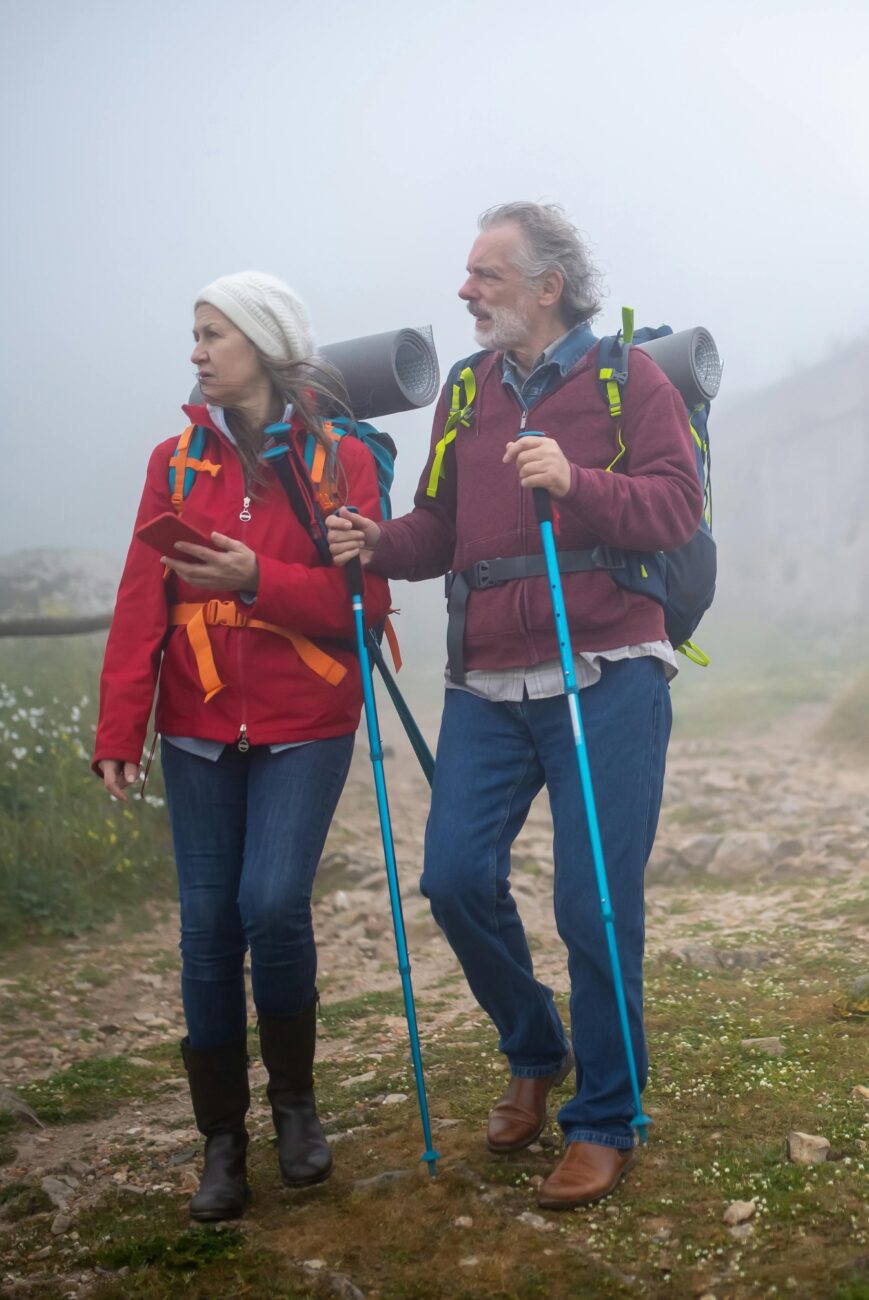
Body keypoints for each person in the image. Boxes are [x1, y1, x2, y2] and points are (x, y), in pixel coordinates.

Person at [327, 202, 703, 1210]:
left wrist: (575, 481)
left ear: (547, 285)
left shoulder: (630, 379)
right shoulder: (466, 390)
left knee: (592, 904)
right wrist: (376, 541)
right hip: (488, 682)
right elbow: (443, 526)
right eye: (466, 275)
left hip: (609, 671)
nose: (465, 292)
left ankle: (606, 1117)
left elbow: (675, 506)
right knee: (452, 879)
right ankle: (535, 1047)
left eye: (486, 275)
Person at [93, 271, 390, 1220]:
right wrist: (119, 727)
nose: (197, 351)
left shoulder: (341, 461)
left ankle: (295, 1107)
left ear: (262, 344)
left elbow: (366, 608)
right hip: (196, 725)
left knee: (270, 904)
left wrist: (262, 576)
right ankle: (221, 1141)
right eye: (196, 334)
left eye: (213, 333)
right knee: (206, 930)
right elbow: (144, 598)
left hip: (307, 719)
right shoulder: (173, 462)